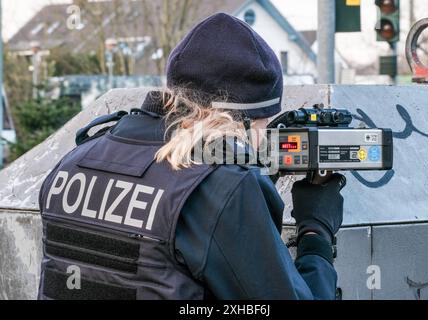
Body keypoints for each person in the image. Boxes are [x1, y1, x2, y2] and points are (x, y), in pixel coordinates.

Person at [38, 13, 345, 300]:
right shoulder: (221, 186)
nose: (264, 139)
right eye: (264, 124)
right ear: (241, 120)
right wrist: (316, 231)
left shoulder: (75, 159)